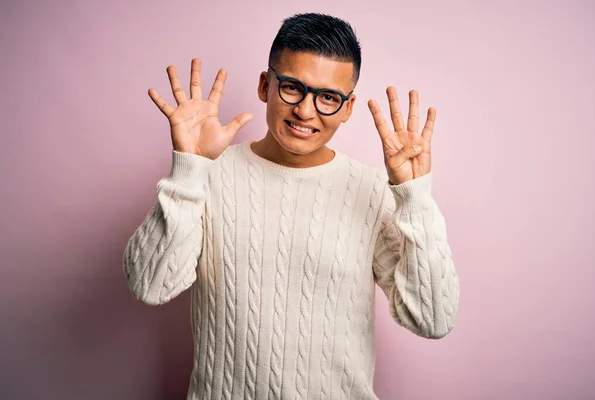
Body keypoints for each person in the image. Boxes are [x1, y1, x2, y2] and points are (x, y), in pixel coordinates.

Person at [123, 12, 459, 400]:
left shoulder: (372, 190)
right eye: (292, 88)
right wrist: (189, 168)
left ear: (347, 109)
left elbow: (432, 319)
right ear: (266, 85)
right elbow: (150, 286)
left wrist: (414, 197)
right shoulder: (209, 174)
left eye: (328, 97)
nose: (305, 110)